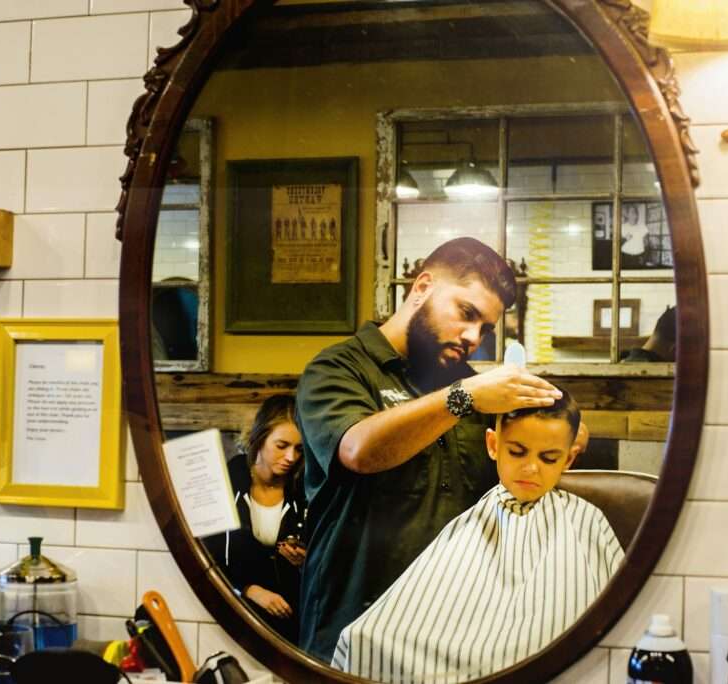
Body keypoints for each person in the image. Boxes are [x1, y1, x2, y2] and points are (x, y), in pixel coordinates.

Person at [295, 237, 578, 661]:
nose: (473, 337)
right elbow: (358, 450)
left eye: (485, 328)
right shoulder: (339, 368)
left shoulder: (471, 385)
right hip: (350, 631)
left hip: (448, 635)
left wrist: (561, 435)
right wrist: (464, 397)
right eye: (466, 313)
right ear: (422, 287)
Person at [331, 390, 623, 682]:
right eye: (517, 452)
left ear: (568, 459)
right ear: (493, 445)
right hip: (459, 655)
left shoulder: (586, 520)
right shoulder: (472, 521)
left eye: (548, 458)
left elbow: (625, 615)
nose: (531, 467)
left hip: (551, 661)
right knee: (363, 639)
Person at [202, 395, 308, 643]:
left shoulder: (305, 492)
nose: (291, 457)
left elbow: (324, 565)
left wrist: (305, 560)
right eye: (282, 445)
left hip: (291, 625)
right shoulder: (224, 484)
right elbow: (204, 556)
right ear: (259, 439)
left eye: (299, 449)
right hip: (230, 616)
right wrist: (249, 589)